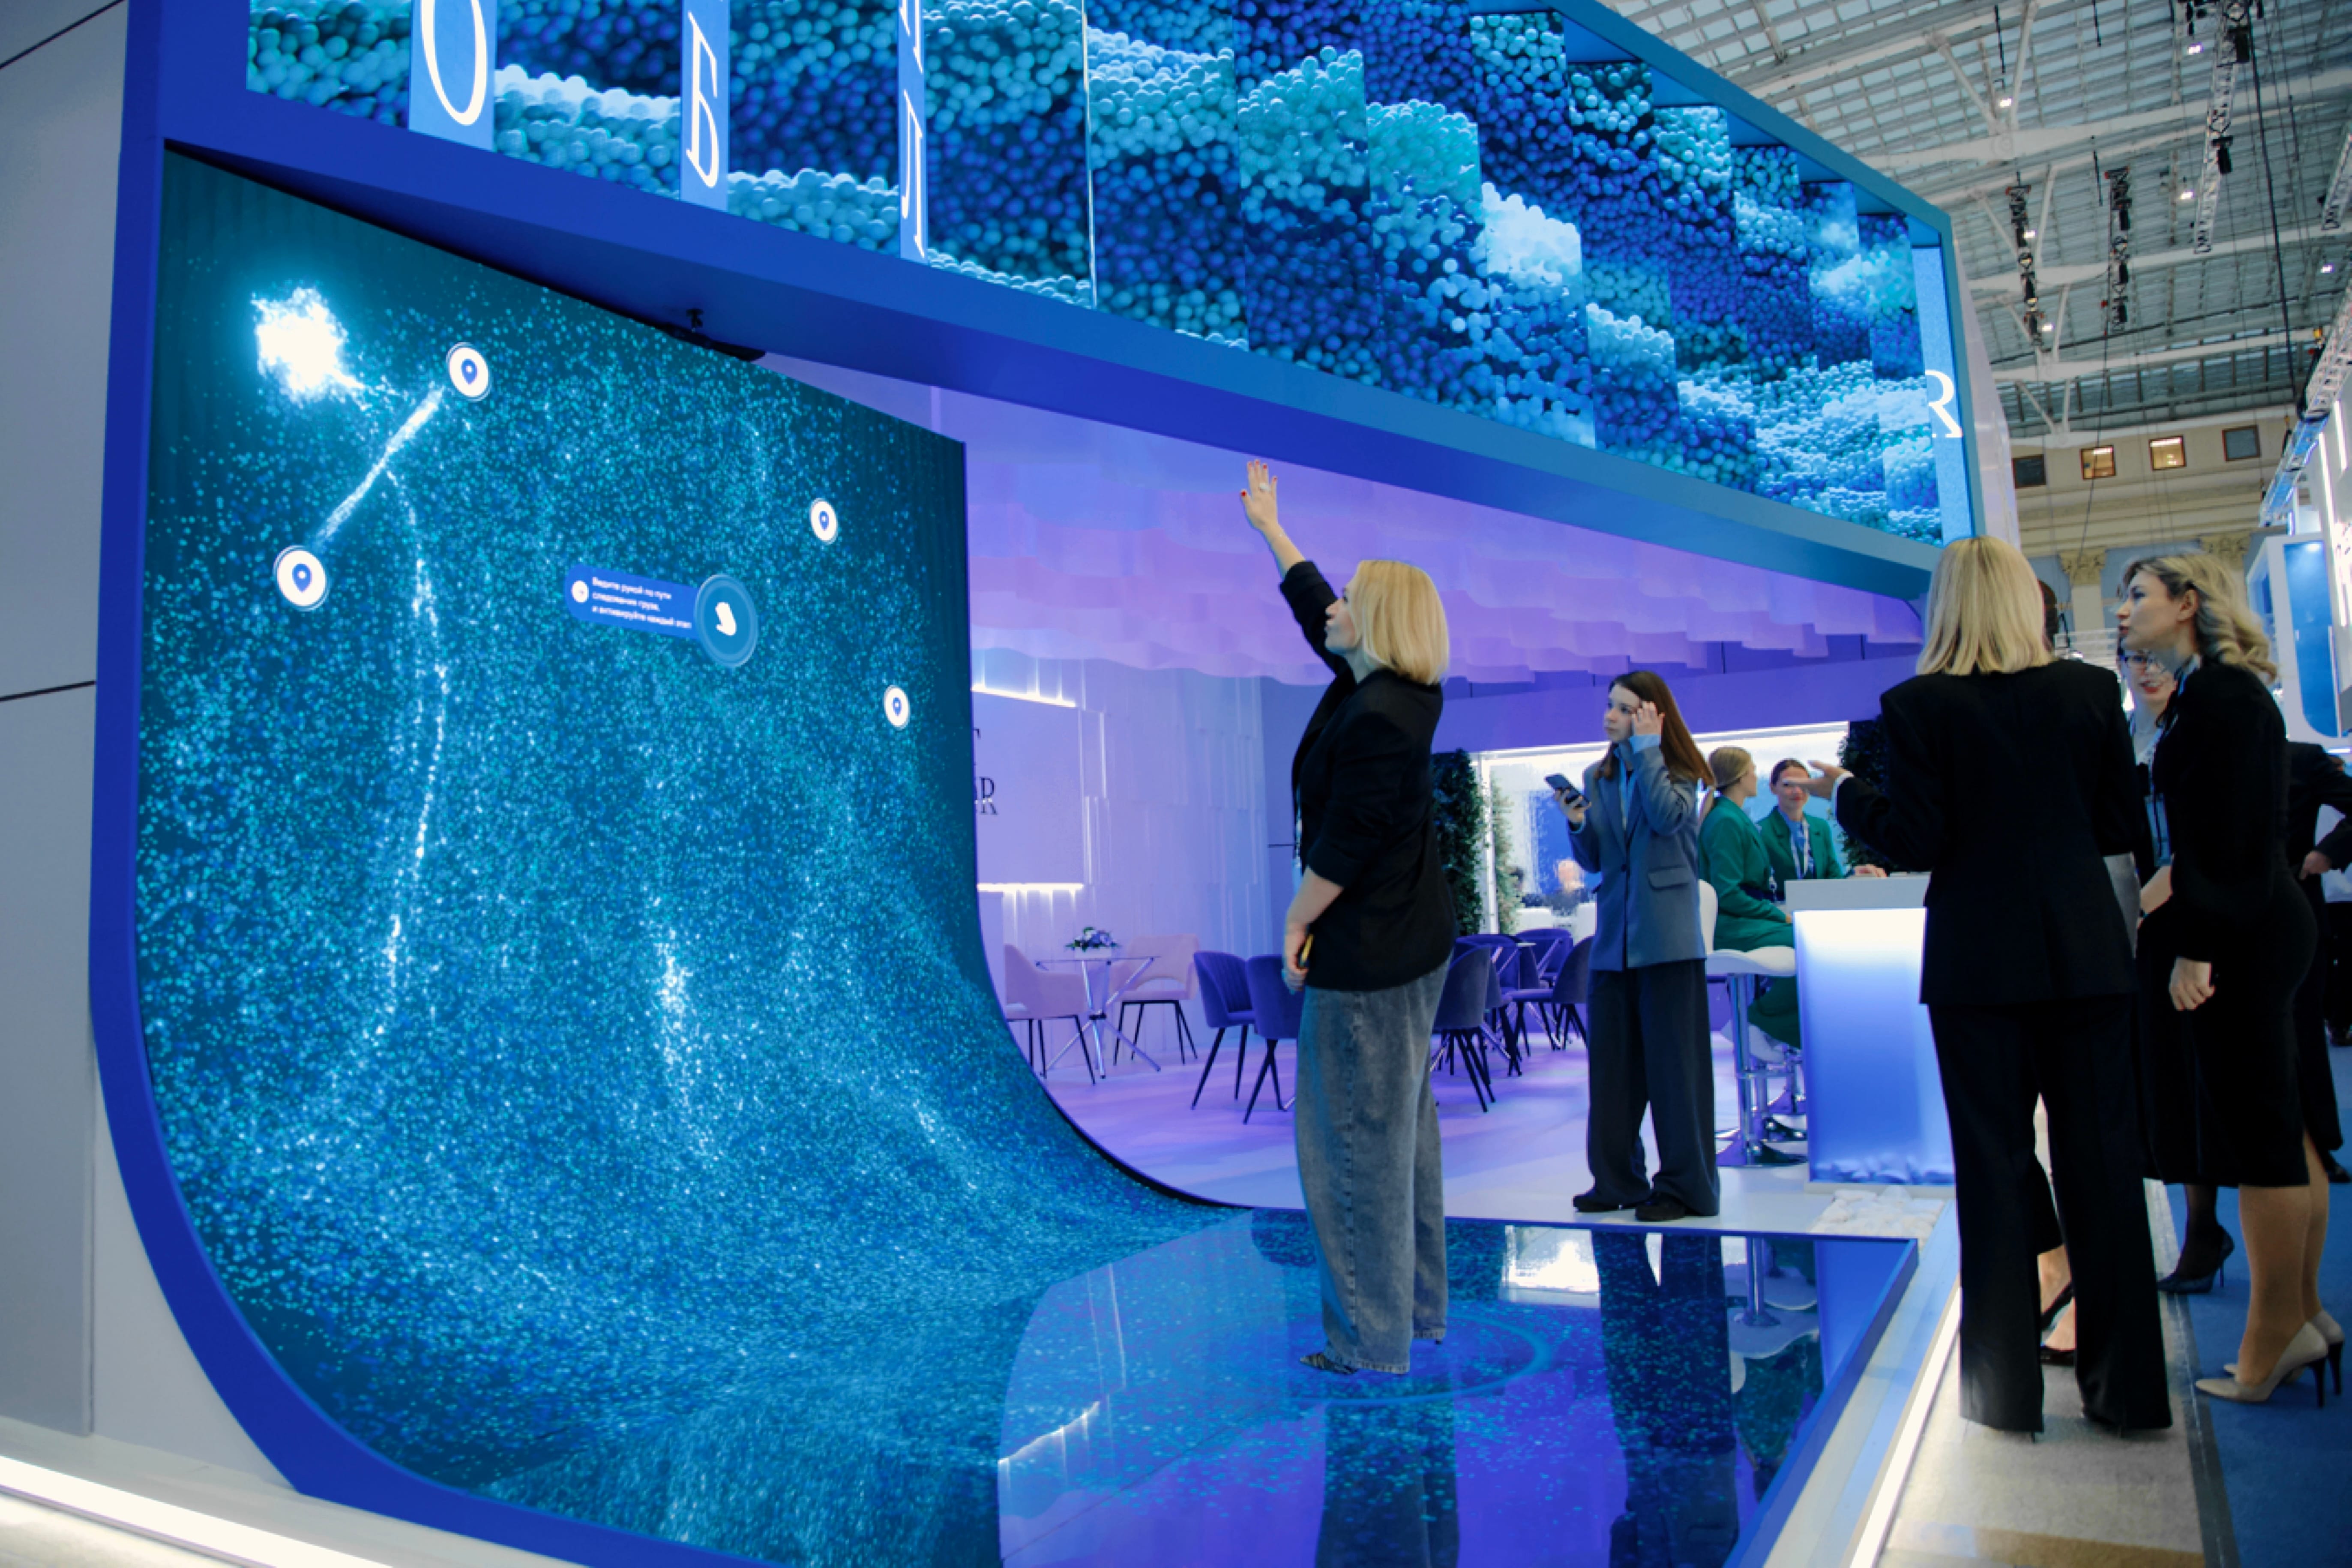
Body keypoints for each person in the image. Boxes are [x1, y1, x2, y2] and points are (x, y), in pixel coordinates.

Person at [1804, 535, 2168, 1434]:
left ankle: (2002, 1393)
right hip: (2084, 955)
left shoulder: (1916, 705)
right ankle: (2125, 1390)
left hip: (1976, 964)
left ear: (1945, 608)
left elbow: (1916, 841)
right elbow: (2117, 827)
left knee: (1993, 1167)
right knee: (2101, 1164)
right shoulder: (2090, 692)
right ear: (2024, 601)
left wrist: (1843, 792)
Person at [1240, 459, 1457, 1378]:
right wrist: (1272, 530)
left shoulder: (1377, 716)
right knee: (1400, 1136)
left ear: (1374, 622)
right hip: (1406, 945)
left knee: (1351, 1150)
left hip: (1368, 959)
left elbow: (1342, 847)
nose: (1330, 608)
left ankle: (1368, 1340)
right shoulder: (1388, 688)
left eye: (1347, 601)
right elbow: (1314, 608)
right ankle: (1413, 1311)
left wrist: (1293, 924)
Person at [2116, 551, 2333, 1406]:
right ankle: (2301, 1313)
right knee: (2282, 1127)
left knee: (2260, 1138)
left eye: (2137, 594)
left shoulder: (2221, 697)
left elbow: (2233, 839)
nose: (2123, 610)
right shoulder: (2216, 694)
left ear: (2186, 603)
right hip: (2256, 921)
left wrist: (2195, 945)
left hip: (2241, 932)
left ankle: (2270, 1336)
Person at [1557, 671, 1715, 1223]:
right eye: (1609, 705)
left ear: (1651, 715)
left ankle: (1684, 1188)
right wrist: (1578, 823)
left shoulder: (1680, 770)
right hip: (1613, 941)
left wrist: (1648, 750)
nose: (1610, 716)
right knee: (1612, 1071)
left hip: (1667, 940)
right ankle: (1616, 1180)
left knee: (1675, 1072)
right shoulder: (1596, 775)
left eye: (1624, 708)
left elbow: (1668, 819)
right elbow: (1596, 859)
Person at [1698, 747, 1798, 1050]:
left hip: (1745, 921)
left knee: (1810, 943)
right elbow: (1728, 892)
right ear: (1741, 777)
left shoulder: (1731, 817)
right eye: (1753, 770)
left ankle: (1767, 1027)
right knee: (1811, 946)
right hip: (1733, 926)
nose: (1756, 776)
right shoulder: (1725, 821)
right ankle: (1755, 1022)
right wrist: (1778, 915)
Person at [1758, 759, 1886, 893]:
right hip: (1780, 905)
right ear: (1773, 788)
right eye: (1788, 785)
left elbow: (1833, 878)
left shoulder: (1820, 827)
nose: (1797, 791)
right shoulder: (1761, 831)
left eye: (1803, 784)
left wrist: (1854, 874)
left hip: (1820, 904)